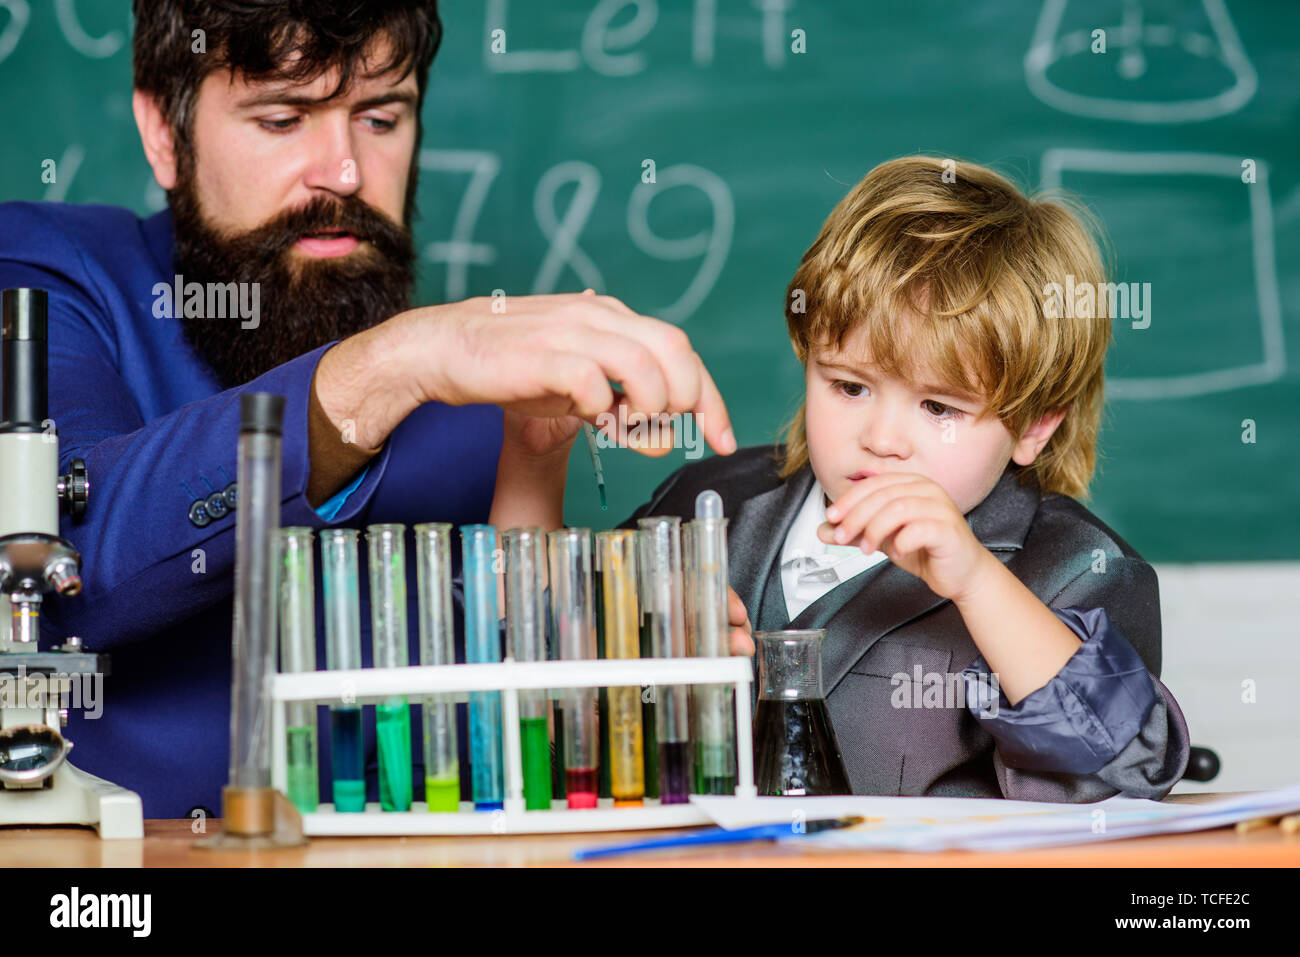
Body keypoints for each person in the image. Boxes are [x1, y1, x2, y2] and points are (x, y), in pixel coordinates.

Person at [0, 1, 749, 819]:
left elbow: (490, 755)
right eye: (283, 118)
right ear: (162, 133)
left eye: (381, 117)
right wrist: (395, 362)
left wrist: (627, 649)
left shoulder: (479, 412)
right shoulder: (48, 273)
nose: (345, 172)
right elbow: (56, 564)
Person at [517, 156, 1192, 801]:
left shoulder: (1080, 568)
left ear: (1034, 427)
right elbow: (530, 696)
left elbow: (1126, 768)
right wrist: (534, 459)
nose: (882, 438)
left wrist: (978, 581)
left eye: (938, 406)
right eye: (847, 385)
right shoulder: (702, 508)